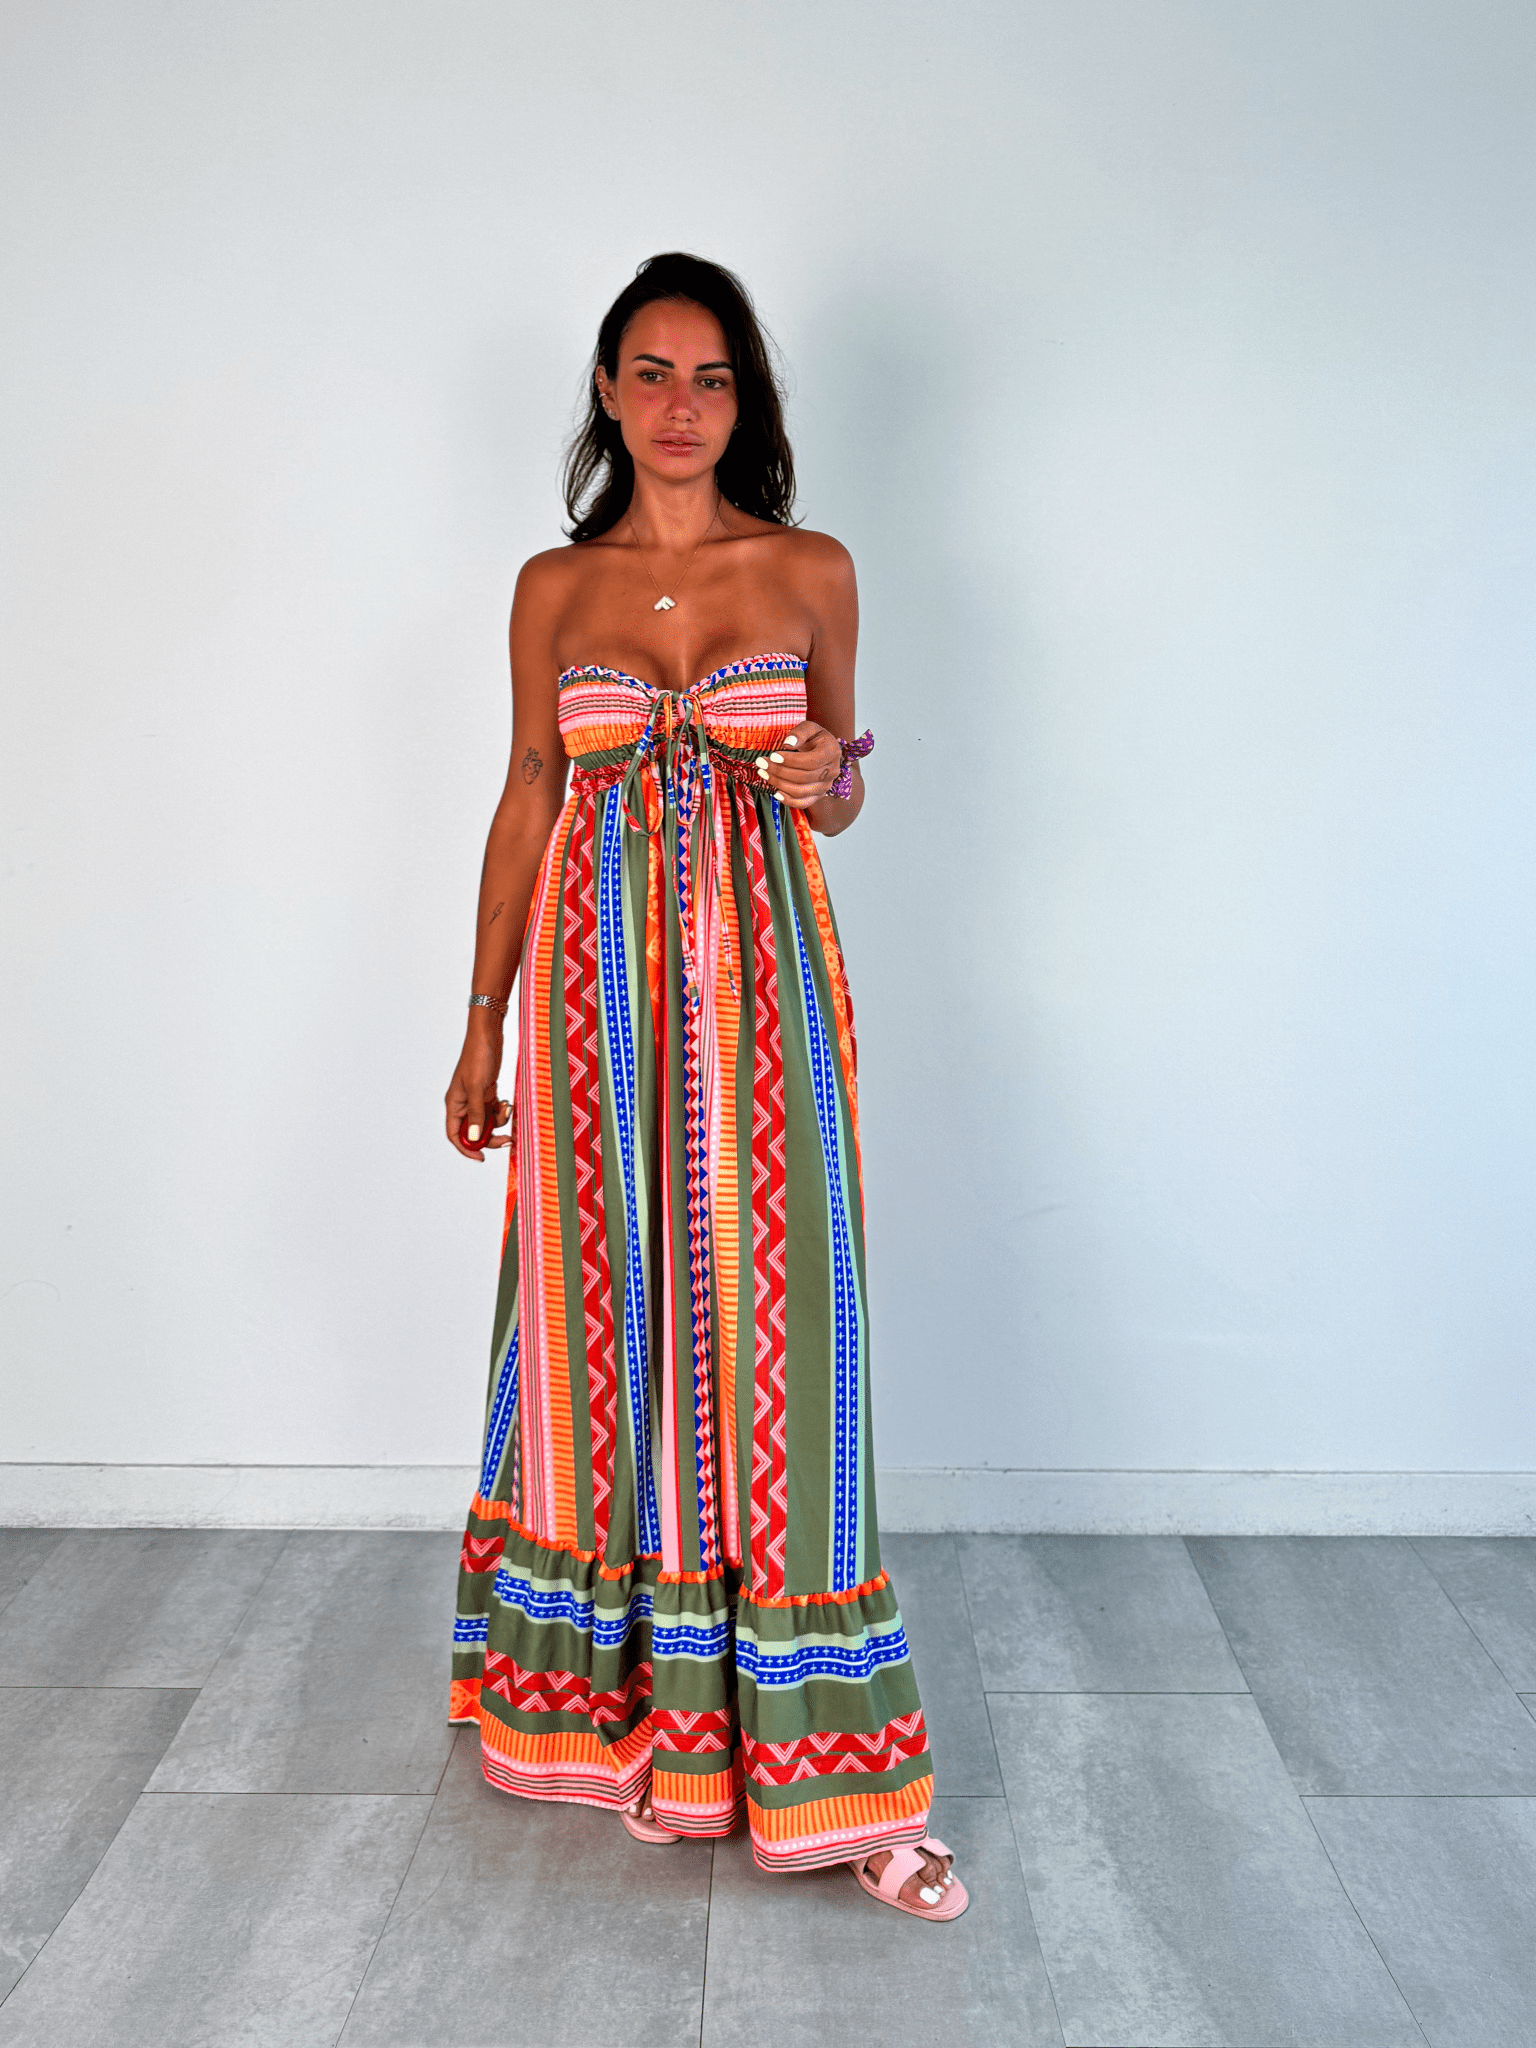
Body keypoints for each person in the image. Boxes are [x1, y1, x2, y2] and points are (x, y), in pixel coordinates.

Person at [443, 252, 965, 1920]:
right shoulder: (554, 588)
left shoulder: (811, 569)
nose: (682, 404)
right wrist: (479, 1023)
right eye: (654, 373)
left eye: (714, 376)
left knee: (783, 1337)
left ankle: (837, 1771)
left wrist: (823, 772)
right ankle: (624, 1718)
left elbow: (841, 788)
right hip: (591, 1011)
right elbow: (529, 794)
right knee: (602, 1325)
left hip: (768, 1004)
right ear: (608, 392)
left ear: (748, 402)